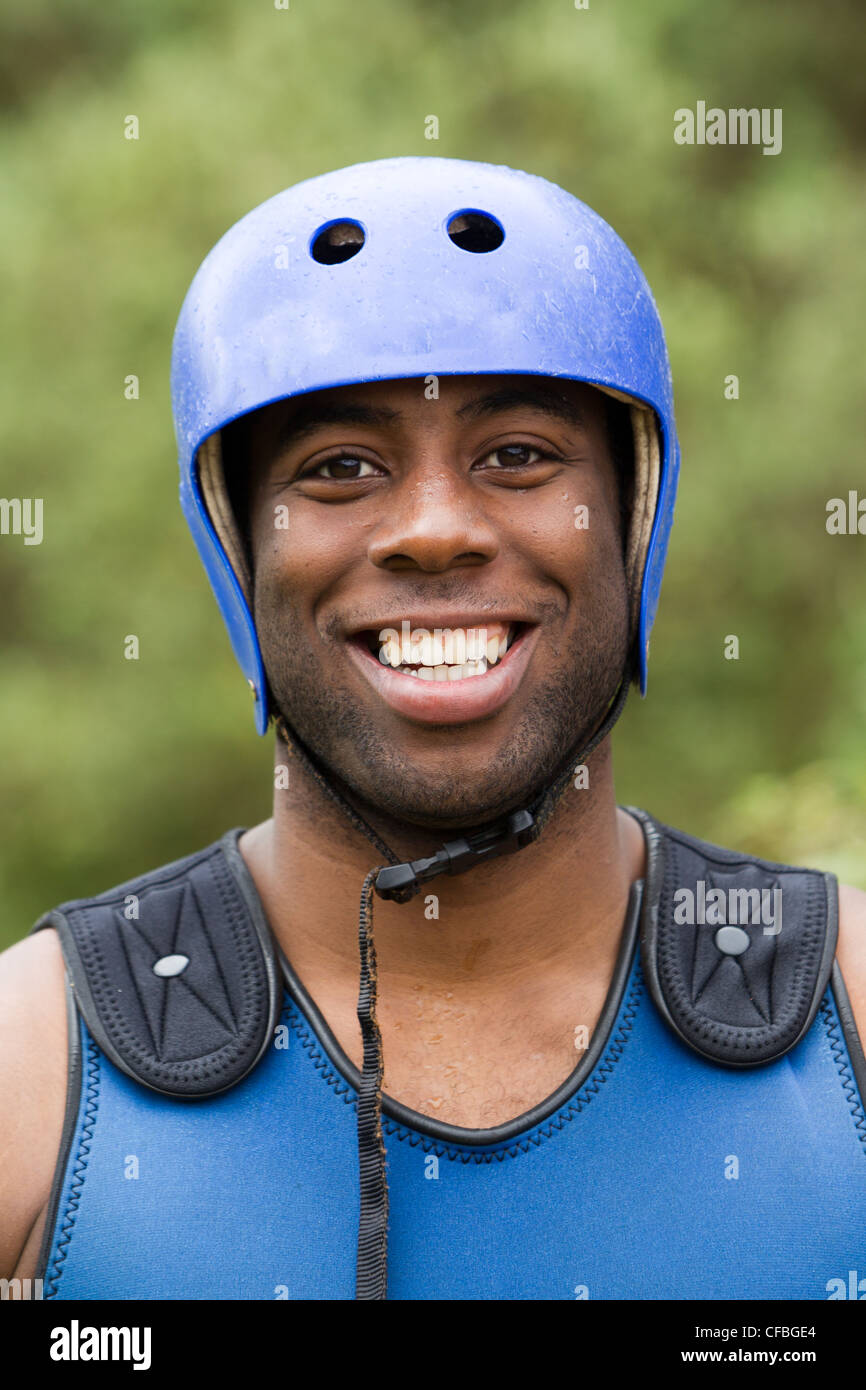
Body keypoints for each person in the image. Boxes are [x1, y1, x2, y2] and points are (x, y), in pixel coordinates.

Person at [3, 156, 866, 1301]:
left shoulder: (848, 1007)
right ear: (237, 551)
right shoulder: (33, 1072)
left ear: (631, 522)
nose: (433, 530)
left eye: (517, 455)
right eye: (340, 468)